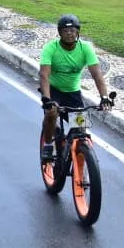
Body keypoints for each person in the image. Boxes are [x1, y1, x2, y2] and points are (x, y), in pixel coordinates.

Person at [40, 14, 113, 161]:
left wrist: (104, 97)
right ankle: (48, 144)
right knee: (52, 114)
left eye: (72, 30)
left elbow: (97, 74)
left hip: (73, 93)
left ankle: (80, 163)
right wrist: (47, 99)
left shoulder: (85, 48)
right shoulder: (50, 48)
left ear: (77, 32)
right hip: (54, 91)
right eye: (65, 31)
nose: (69, 33)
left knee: (80, 129)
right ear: (59, 33)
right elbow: (44, 75)